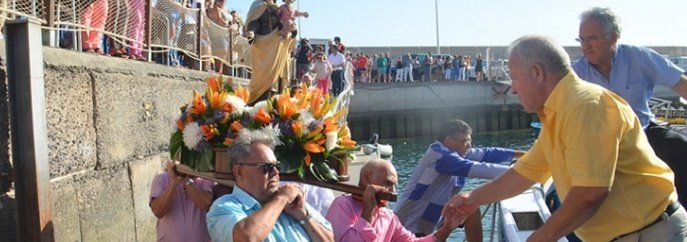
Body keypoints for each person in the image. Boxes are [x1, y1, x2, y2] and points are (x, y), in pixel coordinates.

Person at [443, 35, 685, 242]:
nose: (512, 89)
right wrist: (472, 198)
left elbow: (591, 193)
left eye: (515, 78)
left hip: (649, 234)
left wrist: (540, 237)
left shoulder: (585, 106)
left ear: (537, 72)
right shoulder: (558, 112)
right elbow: (525, 173)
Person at [572, 7, 687, 207]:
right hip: (602, 141)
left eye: (592, 39)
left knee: (680, 147)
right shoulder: (575, 74)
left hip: (643, 130)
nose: (585, 46)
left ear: (613, 37)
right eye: (581, 40)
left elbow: (681, 83)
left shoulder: (639, 57)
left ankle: (680, 214)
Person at [394, 119, 523, 239]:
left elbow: (488, 153)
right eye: (464, 141)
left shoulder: (458, 152)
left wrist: (524, 156)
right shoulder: (440, 156)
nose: (468, 146)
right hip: (409, 225)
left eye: (469, 141)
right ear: (448, 140)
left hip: (432, 221)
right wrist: (525, 172)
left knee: (471, 206)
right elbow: (478, 169)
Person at [206, 130, 334, 242]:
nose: (276, 172)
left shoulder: (294, 205)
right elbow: (246, 238)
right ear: (239, 171)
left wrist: (303, 217)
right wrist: (282, 199)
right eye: (267, 167)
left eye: (277, 166)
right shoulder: (223, 207)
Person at [327, 159, 462, 241]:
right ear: (366, 179)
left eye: (394, 186)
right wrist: (369, 210)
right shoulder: (342, 205)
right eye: (388, 183)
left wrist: (447, 228)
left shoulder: (388, 215)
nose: (393, 190)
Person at [244, 0, 296, 102]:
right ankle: (257, 102)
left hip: (276, 45)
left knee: (275, 75)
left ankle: (272, 103)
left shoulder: (279, 8)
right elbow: (254, 22)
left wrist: (292, 30)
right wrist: (251, 32)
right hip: (263, 45)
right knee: (261, 75)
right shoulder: (259, 5)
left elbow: (282, 24)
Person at [149, 160, 214, 242]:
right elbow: (158, 211)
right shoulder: (161, 179)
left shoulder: (205, 179)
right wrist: (174, 182)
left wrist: (187, 181)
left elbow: (205, 204)